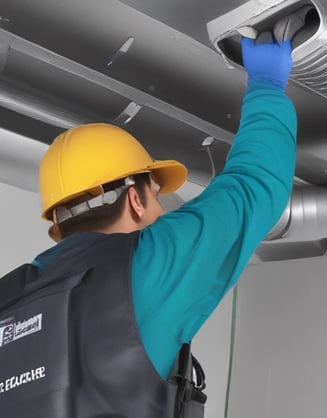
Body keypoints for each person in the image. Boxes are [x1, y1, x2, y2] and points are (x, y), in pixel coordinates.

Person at [0, 36, 296, 418]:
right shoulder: (145, 265)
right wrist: (267, 83)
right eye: (155, 194)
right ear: (135, 200)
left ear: (58, 226)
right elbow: (252, 186)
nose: (160, 208)